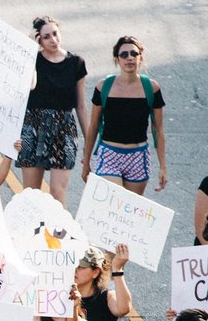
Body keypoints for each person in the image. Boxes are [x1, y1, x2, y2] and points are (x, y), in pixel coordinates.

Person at [81, 35, 167, 194]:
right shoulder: (104, 87)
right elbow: (93, 126)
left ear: (140, 58)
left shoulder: (151, 88)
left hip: (137, 156)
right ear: (117, 59)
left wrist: (163, 166)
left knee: (129, 214)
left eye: (134, 54)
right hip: (109, 154)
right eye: (124, 54)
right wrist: (86, 162)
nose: (129, 58)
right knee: (115, 199)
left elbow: (158, 129)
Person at [19, 16, 89, 204]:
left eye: (55, 34)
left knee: (57, 194)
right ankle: (31, 232)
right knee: (31, 194)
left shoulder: (76, 63)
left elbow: (81, 105)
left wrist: (89, 142)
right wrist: (30, 50)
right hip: (33, 126)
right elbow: (29, 85)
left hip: (63, 128)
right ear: (39, 39)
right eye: (46, 36)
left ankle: (57, 232)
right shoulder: (32, 60)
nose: (53, 40)